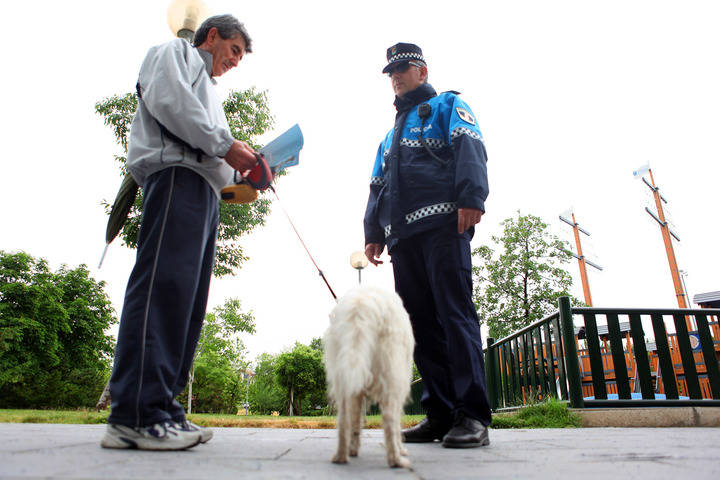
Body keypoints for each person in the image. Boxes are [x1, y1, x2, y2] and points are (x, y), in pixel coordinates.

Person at [101, 15, 258, 451]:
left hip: (206, 193)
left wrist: (245, 175)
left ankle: (163, 407)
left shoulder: (210, 90)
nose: (235, 62)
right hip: (175, 177)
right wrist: (228, 147)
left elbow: (214, 145)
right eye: (234, 51)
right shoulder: (175, 55)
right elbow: (171, 104)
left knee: (188, 304)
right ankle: (134, 413)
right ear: (212, 37)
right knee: (163, 288)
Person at [363, 43, 492, 448]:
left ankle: (472, 416)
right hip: (403, 238)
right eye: (391, 72)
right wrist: (373, 232)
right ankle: (439, 414)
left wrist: (472, 196)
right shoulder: (388, 136)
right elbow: (377, 185)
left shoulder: (447, 106)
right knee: (418, 325)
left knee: (455, 315)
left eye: (402, 69)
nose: (396, 77)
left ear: (421, 70)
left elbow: (470, 145)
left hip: (444, 227)